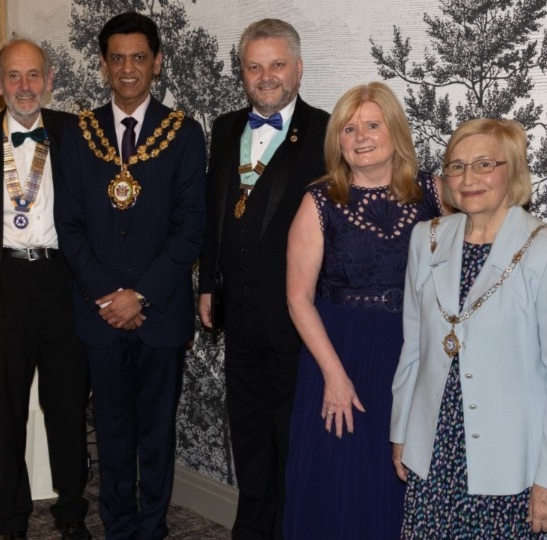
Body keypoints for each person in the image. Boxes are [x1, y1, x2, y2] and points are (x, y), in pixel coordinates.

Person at [55, 12, 206, 539]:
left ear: (156, 62)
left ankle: (153, 528)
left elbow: (191, 228)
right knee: (113, 431)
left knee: (156, 433)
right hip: (99, 314)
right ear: (102, 65)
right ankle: (118, 528)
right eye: (116, 58)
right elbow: (68, 225)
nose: (127, 68)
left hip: (159, 312)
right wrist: (107, 296)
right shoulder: (79, 133)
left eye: (138, 57)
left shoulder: (184, 133)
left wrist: (138, 294)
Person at [391, 118, 547, 539]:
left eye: (483, 164)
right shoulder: (427, 238)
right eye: (456, 167)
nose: (468, 178)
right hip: (435, 451)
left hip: (512, 461)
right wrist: (402, 430)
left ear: (512, 170)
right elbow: (413, 347)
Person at [0, 38, 90, 540]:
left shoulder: (80, 134)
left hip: (64, 286)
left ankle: (72, 513)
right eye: (13, 76)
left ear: (50, 80)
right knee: (5, 411)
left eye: (34, 76)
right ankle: (11, 519)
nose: (24, 87)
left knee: (67, 407)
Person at [283, 82, 441, 539]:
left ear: (395, 130)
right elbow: (297, 298)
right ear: (338, 141)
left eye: (372, 125)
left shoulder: (434, 191)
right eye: (349, 129)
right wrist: (334, 375)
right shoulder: (319, 201)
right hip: (337, 352)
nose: (361, 136)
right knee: (335, 479)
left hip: (410, 351)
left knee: (397, 479)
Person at [197, 18, 328, 539]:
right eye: (254, 67)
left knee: (292, 441)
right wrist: (208, 283)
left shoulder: (326, 130)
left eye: (277, 65)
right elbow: (215, 212)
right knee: (249, 438)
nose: (266, 76)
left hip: (300, 320)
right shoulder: (226, 127)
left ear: (297, 68)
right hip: (239, 317)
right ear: (242, 73)